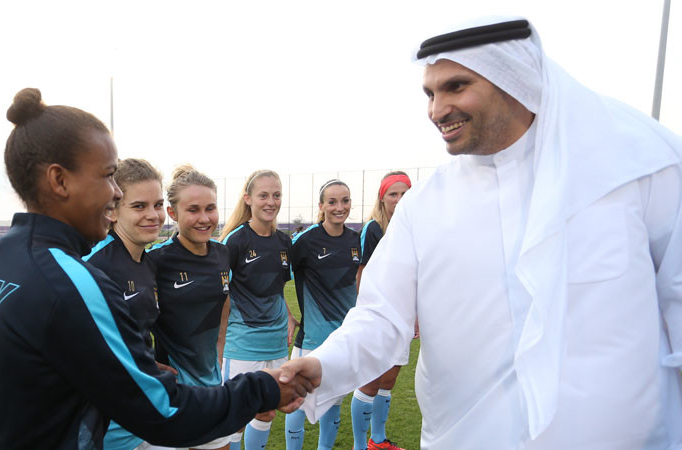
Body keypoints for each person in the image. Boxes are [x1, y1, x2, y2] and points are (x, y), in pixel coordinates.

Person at [279, 17, 682, 450]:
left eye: (456, 87)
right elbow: (381, 316)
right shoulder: (425, 205)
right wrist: (323, 365)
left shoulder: (638, 170)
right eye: (430, 93)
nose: (436, 110)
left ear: (513, 78)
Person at [0, 88, 310, 450]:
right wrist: (265, 387)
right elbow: (163, 411)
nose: (114, 194)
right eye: (108, 176)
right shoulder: (72, 282)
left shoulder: (5, 259)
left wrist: (142, 367)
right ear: (60, 181)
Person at [83, 158, 177, 449]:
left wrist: (149, 363)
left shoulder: (148, 264)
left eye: (158, 204)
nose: (153, 215)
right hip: (107, 429)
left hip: (145, 414)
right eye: (139, 206)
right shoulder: (92, 267)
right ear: (112, 211)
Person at [146, 165, 235, 450]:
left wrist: (219, 355)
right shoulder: (155, 261)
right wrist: (144, 363)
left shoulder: (222, 253)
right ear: (172, 213)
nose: (204, 218)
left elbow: (223, 307)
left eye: (210, 208)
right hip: (170, 396)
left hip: (211, 390)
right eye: (193, 209)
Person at [218, 170, 298, 450]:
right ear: (248, 198)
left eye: (276, 195)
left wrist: (287, 315)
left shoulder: (284, 242)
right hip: (242, 344)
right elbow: (222, 297)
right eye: (263, 195)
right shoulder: (235, 241)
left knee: (267, 411)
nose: (271, 201)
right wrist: (219, 344)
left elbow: (276, 289)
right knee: (236, 415)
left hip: (275, 343)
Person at [284, 179, 361, 450]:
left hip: (343, 340)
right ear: (321, 206)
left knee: (334, 401)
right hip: (311, 341)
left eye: (345, 200)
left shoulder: (355, 240)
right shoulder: (305, 241)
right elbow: (273, 278)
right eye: (332, 201)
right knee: (296, 402)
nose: (339, 207)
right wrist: (288, 316)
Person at [350, 171, 412, 450]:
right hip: (379, 314)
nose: (399, 200)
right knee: (370, 380)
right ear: (382, 198)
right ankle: (359, 445)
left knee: (389, 379)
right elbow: (362, 273)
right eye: (393, 194)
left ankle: (378, 440)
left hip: (404, 314)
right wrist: (369, 313)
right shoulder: (373, 229)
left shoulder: (414, 226)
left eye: (404, 193)